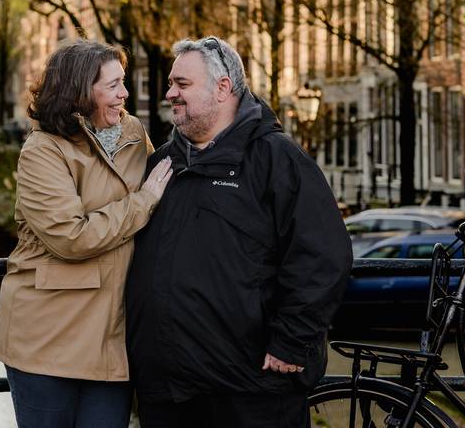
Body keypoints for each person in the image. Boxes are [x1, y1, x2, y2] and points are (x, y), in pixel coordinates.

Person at [125, 36, 353, 428]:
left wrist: (292, 343)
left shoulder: (276, 158)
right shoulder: (163, 162)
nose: (170, 94)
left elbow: (322, 255)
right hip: (166, 391)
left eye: (182, 84)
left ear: (223, 87)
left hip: (249, 390)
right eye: (170, 83)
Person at [0, 40, 173, 428]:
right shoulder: (43, 151)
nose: (125, 94)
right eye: (114, 85)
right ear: (80, 90)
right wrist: (143, 202)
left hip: (112, 339)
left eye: (124, 82)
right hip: (48, 338)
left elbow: (167, 195)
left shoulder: (134, 134)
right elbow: (71, 238)